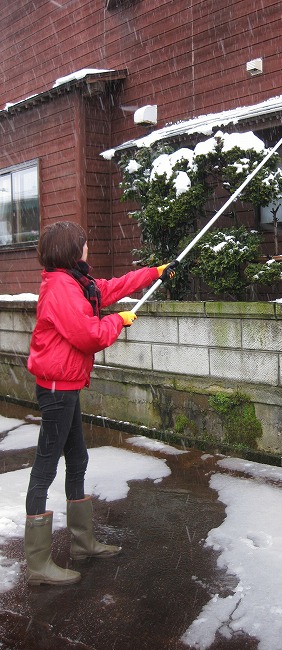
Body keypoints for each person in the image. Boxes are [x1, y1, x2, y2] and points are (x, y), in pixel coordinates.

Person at [24, 220, 175, 586]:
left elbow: (107, 289)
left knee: (78, 458)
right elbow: (88, 336)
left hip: (67, 384)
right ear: (70, 250)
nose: (88, 247)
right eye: (84, 243)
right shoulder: (61, 287)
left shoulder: (75, 281)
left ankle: (83, 543)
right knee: (46, 468)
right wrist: (118, 322)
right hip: (58, 387)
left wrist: (152, 272)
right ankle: (38, 565)